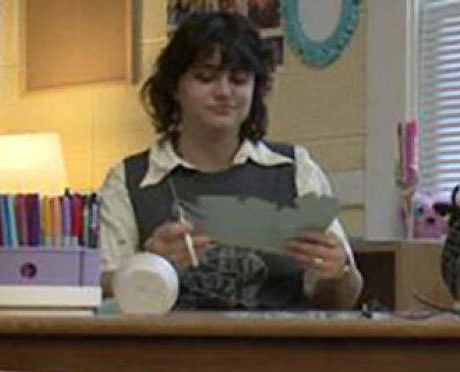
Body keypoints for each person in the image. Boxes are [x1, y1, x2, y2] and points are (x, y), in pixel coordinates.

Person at [98, 11, 362, 311]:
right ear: (174, 87)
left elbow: (343, 300)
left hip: (284, 353)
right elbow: (101, 294)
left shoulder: (295, 169)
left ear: (255, 89)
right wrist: (148, 269)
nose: (224, 92)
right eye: (205, 77)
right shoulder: (129, 179)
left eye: (239, 79)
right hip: (168, 355)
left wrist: (337, 272)